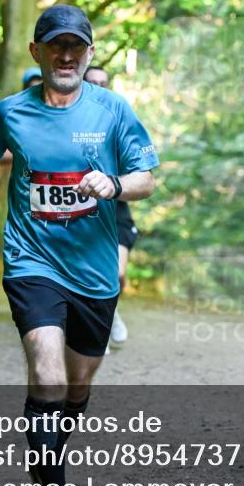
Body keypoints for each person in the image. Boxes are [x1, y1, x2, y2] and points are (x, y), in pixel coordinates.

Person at [0, 5, 159, 486]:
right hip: (32, 260)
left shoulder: (113, 109)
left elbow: (147, 177)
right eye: (57, 45)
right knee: (47, 374)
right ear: (38, 52)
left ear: (90, 52)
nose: (67, 55)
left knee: (76, 386)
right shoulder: (12, 112)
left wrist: (115, 185)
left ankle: (46, 451)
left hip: (95, 270)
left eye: (77, 46)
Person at [83, 65, 138, 345]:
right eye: (93, 82)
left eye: (104, 83)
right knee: (89, 274)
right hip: (79, 214)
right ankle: (95, 331)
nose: (99, 87)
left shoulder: (119, 120)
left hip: (116, 213)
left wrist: (115, 182)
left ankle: (111, 311)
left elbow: (140, 171)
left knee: (116, 273)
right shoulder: (65, 119)